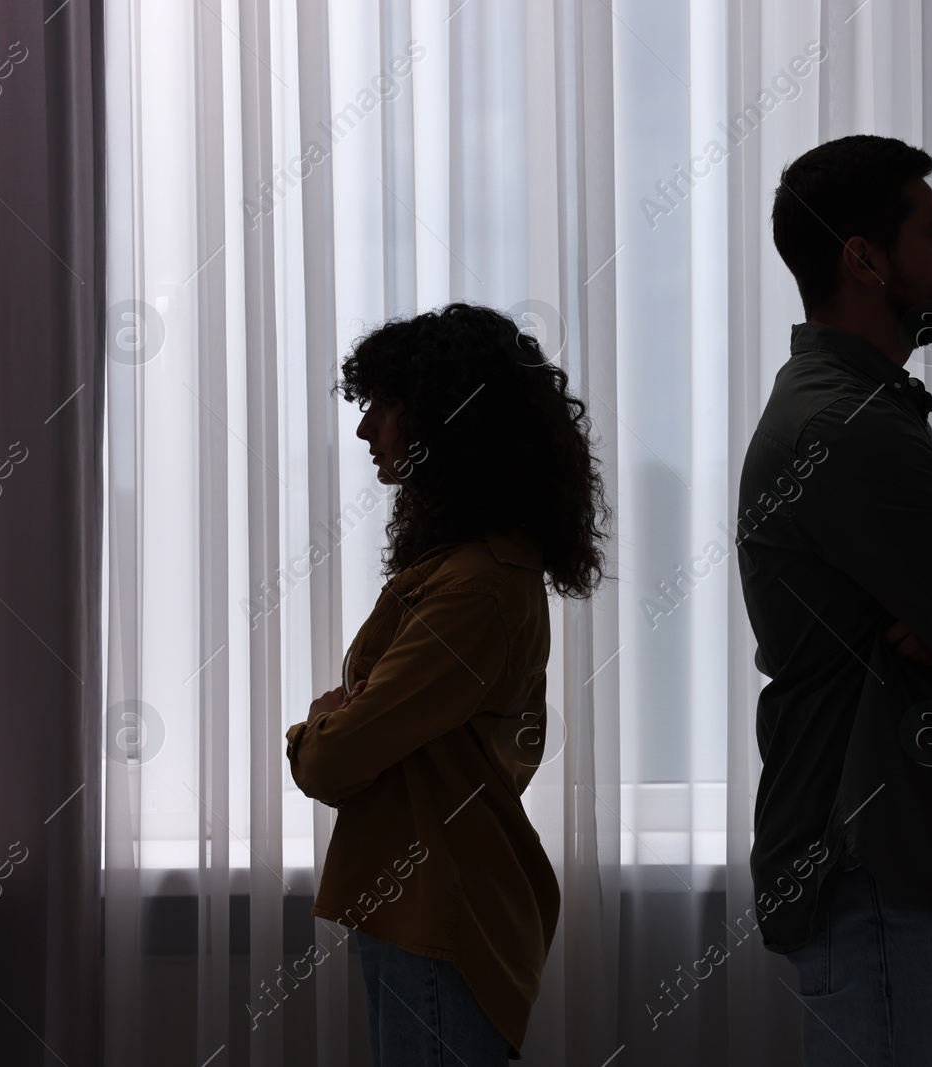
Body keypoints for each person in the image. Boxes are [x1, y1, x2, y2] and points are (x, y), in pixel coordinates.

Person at [735, 134, 932, 1065]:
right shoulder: (847, 425)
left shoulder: (846, 407)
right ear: (865, 258)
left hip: (872, 844)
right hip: (872, 847)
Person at [286, 303, 610, 1064]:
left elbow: (337, 760)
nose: (367, 430)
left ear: (447, 422)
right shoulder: (471, 569)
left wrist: (313, 729)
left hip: (442, 915)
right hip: (426, 910)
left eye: (385, 406)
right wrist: (345, 728)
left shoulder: (476, 587)